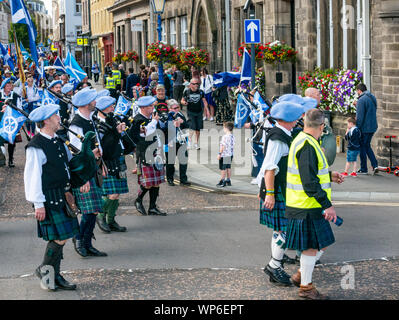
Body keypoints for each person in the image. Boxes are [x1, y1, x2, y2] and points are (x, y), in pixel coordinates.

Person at [285, 108, 344, 300]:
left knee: (322, 243)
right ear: (321, 126)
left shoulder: (305, 141)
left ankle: (303, 273)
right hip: (306, 204)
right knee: (311, 247)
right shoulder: (308, 145)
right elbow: (308, 181)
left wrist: (329, 176)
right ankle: (306, 288)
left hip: (305, 204)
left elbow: (311, 173)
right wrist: (327, 205)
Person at [24, 103, 79, 291]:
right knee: (59, 237)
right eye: (56, 115)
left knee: (61, 238)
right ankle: (45, 271)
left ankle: (54, 274)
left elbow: (69, 164)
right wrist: (38, 203)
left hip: (64, 194)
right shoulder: (36, 146)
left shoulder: (58, 140)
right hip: (49, 197)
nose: (59, 118)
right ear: (46, 120)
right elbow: (32, 176)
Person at [256, 100, 306, 286]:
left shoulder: (286, 133)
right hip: (276, 190)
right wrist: (269, 193)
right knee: (282, 229)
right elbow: (269, 168)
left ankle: (275, 265)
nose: (297, 121)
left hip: (282, 189)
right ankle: (274, 266)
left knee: (284, 229)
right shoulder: (278, 138)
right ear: (287, 119)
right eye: (294, 118)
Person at [69, 89, 108, 258]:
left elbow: (96, 144)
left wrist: (101, 163)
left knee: (94, 209)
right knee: (88, 209)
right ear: (86, 104)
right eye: (93, 100)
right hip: (84, 172)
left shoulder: (90, 119)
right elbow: (76, 153)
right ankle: (79, 239)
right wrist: (83, 177)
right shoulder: (76, 124)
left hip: (94, 167)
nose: (95, 102)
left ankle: (88, 243)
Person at [95, 96, 130, 233]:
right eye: (110, 106)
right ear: (103, 108)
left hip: (117, 158)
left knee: (117, 194)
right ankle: (100, 216)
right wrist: (117, 132)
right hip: (107, 160)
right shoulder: (98, 124)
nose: (113, 107)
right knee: (112, 193)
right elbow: (105, 145)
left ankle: (111, 220)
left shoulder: (111, 119)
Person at [129, 96, 167, 216]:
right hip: (145, 153)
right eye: (151, 106)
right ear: (144, 107)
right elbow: (145, 134)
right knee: (148, 183)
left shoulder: (152, 117)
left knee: (156, 182)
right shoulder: (137, 120)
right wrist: (154, 122)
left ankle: (152, 207)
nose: (153, 108)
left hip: (157, 152)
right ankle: (138, 200)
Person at [165, 99, 190, 186]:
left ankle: (183, 179)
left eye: (177, 107)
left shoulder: (181, 115)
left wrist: (182, 123)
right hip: (171, 142)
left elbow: (187, 126)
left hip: (181, 141)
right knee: (170, 162)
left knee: (183, 160)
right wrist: (172, 124)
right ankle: (170, 179)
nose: (176, 109)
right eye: (174, 108)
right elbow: (164, 128)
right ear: (170, 109)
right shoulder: (167, 116)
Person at [355, 83, 378, 175]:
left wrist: (357, 128)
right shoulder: (372, 97)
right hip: (373, 126)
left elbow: (360, 117)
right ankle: (375, 165)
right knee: (367, 146)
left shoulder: (361, 100)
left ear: (359, 91)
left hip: (364, 128)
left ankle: (364, 168)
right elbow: (370, 111)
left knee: (362, 147)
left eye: (357, 91)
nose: (357, 93)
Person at [181, 78, 208, 150]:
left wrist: (207, 111)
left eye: (197, 84)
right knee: (192, 127)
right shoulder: (187, 92)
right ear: (190, 84)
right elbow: (182, 100)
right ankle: (189, 141)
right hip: (190, 111)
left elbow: (204, 101)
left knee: (198, 129)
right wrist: (184, 103)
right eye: (194, 84)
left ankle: (196, 143)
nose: (196, 85)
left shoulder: (201, 92)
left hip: (199, 112)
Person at [0, 78, 21, 167]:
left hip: (11, 122)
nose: (9, 87)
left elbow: (20, 109)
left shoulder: (15, 96)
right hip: (0, 121)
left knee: (11, 141)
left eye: (10, 86)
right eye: (7, 86)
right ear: (4, 87)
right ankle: (1, 159)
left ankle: (11, 159)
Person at [216, 122, 235, 187]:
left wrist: (219, 154)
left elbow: (223, 146)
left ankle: (222, 180)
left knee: (223, 168)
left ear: (226, 128)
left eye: (224, 128)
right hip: (230, 154)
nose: (223, 129)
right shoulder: (232, 136)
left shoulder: (225, 137)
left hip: (224, 155)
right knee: (228, 167)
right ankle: (228, 180)